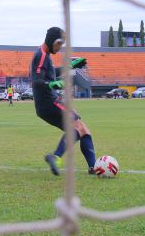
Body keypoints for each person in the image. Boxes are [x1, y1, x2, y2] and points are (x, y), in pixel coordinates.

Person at [31, 27, 96, 175]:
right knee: (78, 126)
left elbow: (52, 73)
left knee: (82, 129)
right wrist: (51, 84)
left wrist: (71, 66)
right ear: (52, 40)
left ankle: (93, 167)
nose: (60, 48)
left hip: (48, 104)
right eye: (59, 44)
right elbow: (36, 82)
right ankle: (56, 157)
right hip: (49, 102)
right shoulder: (40, 56)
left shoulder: (45, 56)